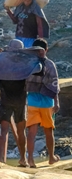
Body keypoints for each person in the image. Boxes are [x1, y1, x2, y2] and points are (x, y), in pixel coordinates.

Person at [26, 38, 60, 168]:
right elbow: (55, 85)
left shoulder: (29, 63)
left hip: (32, 102)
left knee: (32, 132)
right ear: (46, 50)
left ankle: (30, 160)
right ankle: (51, 157)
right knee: (49, 131)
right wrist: (57, 102)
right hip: (47, 103)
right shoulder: (50, 64)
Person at [0, 39, 29, 166]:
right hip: (21, 100)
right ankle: (23, 159)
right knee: (21, 130)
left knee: (4, 130)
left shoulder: (3, 62)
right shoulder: (25, 62)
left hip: (6, 100)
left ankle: (1, 160)